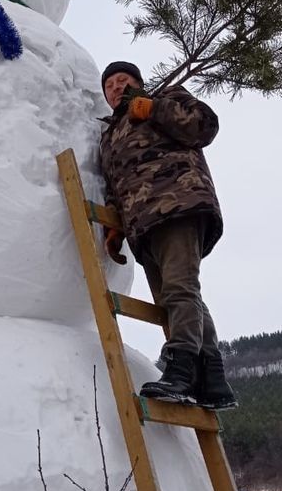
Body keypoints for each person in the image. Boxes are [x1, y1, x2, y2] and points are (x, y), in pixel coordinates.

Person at [98, 61, 236, 410]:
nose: (116, 87)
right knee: (176, 295)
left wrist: (155, 108)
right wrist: (115, 226)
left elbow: (204, 126)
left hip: (178, 204)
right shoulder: (110, 136)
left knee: (179, 289)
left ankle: (181, 367)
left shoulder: (163, 99)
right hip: (143, 225)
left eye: (123, 80)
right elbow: (116, 183)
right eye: (110, 84)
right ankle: (213, 380)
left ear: (138, 83)